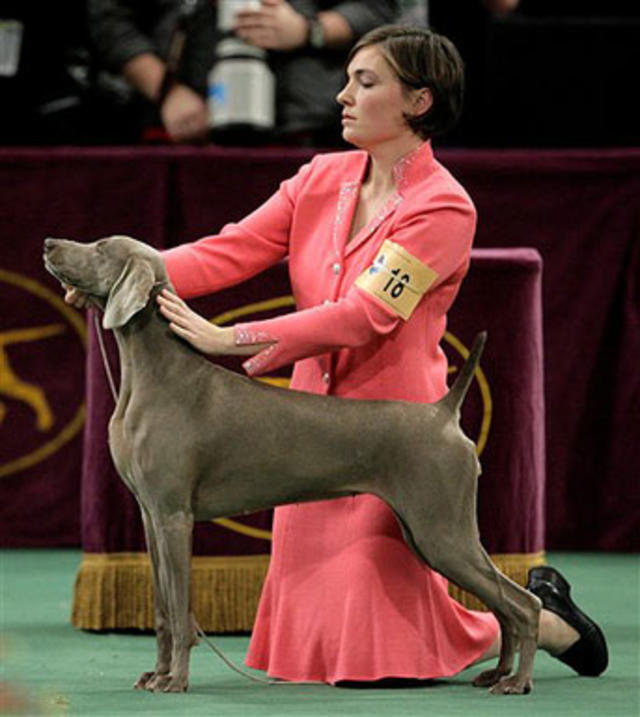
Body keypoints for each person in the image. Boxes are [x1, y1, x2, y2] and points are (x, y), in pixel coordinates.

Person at [66, 24, 607, 684]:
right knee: (318, 657)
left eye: (366, 82)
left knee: (384, 655)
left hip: (392, 426)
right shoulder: (323, 176)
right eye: (348, 79)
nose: (342, 95)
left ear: (419, 102)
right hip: (305, 423)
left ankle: (546, 619)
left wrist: (227, 338)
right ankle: (528, 611)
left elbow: (366, 315)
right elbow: (226, 251)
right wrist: (126, 274)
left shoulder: (443, 206)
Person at [86, 0, 399, 146]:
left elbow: (377, 11)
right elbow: (108, 19)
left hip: (307, 134)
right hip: (181, 135)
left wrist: (310, 30)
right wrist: (165, 89)